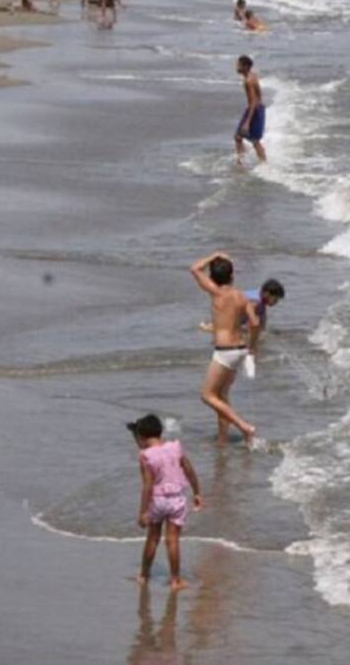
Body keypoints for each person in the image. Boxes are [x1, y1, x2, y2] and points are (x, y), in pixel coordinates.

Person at [190, 252, 260, 444]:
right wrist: (252, 348)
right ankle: (222, 439)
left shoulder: (217, 292)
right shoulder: (243, 297)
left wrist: (214, 255)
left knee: (206, 395)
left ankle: (244, 427)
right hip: (240, 349)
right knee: (221, 396)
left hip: (225, 351)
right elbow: (254, 322)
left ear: (213, 278)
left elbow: (194, 268)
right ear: (232, 275)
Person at [128, 413, 203, 591]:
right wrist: (197, 492)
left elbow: (147, 485)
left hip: (158, 500)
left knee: (153, 539)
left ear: (141, 437)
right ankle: (176, 580)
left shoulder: (146, 455)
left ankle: (144, 575)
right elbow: (189, 469)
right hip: (177, 499)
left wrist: (142, 512)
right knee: (173, 540)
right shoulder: (175, 447)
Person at [234, 55, 266, 163]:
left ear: (246, 67)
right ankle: (241, 160)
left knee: (254, 140)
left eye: (239, 65)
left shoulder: (248, 81)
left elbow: (253, 101)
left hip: (254, 109)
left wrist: (247, 122)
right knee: (239, 137)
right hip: (257, 108)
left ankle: (243, 162)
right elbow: (258, 95)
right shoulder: (253, 75)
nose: (236, 67)